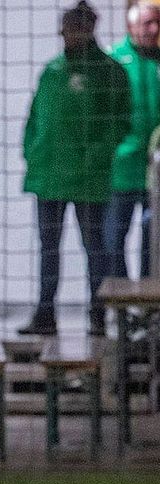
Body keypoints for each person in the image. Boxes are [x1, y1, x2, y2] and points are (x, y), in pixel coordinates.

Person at [17, 1, 131, 337]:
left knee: (95, 248)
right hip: (49, 175)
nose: (67, 35)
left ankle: (98, 316)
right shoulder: (53, 70)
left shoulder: (110, 72)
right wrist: (32, 153)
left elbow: (119, 123)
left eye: (72, 28)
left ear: (88, 28)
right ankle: (45, 314)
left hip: (88, 180)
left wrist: (94, 159)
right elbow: (35, 118)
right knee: (48, 248)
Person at [106, 2, 160, 281]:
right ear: (131, 27)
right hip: (122, 169)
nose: (154, 29)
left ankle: (149, 306)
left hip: (155, 173)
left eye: (158, 23)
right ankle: (122, 305)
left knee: (154, 244)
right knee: (113, 241)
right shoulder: (113, 61)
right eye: (148, 23)